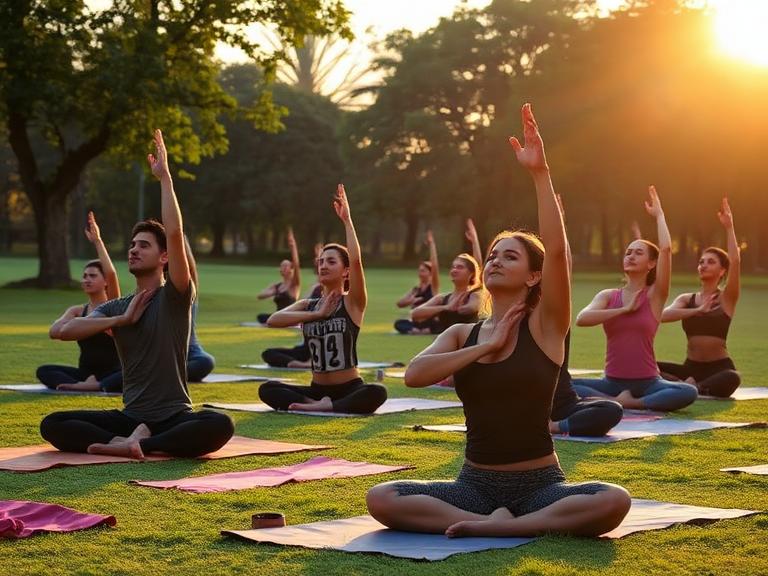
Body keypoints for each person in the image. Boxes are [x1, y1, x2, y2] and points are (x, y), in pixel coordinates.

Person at [366, 104, 630, 538]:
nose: (495, 261)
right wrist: (485, 347)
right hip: (474, 483)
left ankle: (507, 527)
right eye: (492, 255)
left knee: (613, 498)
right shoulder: (461, 334)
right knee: (382, 497)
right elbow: (414, 376)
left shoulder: (546, 326)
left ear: (533, 276)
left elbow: (560, 256)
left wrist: (541, 175)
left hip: (540, 483)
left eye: (511, 255)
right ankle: (497, 524)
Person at [39, 129, 234, 459]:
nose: (133, 250)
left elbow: (174, 231)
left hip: (174, 416)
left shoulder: (175, 296)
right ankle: (131, 440)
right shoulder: (118, 306)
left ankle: (140, 444)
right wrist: (121, 319)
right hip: (130, 416)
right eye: (131, 245)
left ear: (164, 258)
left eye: (143, 245)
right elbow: (63, 332)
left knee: (220, 424)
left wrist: (165, 178)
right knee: (53, 423)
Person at [257, 184, 387, 414]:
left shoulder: (352, 302)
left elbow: (356, 261)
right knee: (267, 389)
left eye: (331, 261)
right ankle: (314, 405)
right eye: (321, 262)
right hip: (316, 388)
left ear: (345, 271)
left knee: (377, 392)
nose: (324, 265)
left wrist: (347, 222)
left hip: (349, 388)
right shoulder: (310, 305)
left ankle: (329, 406)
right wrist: (317, 314)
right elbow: (273, 320)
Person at [571, 186, 697, 412]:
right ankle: (617, 399)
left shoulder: (655, 295)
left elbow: (666, 250)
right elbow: (582, 318)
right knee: (566, 383)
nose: (630, 256)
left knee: (688, 391)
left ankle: (629, 403)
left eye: (638, 253)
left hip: (648, 382)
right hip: (611, 382)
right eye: (628, 252)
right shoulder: (609, 296)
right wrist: (622, 310)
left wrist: (659, 216)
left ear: (651, 264)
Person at [549, 195, 623, 437]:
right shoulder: (505, 320)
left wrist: (559, 223)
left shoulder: (556, 314)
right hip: (526, 406)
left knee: (611, 409)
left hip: (562, 404)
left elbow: (564, 265)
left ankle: (555, 427)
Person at [658, 198, 741, 397]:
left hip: (719, 368)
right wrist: (696, 310)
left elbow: (735, 260)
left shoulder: (726, 298)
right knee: (647, 365)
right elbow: (662, 315)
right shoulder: (688, 299)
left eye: (710, 262)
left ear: (722, 270)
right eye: (701, 262)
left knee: (733, 378)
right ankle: (690, 384)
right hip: (690, 367)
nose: (703, 265)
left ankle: (692, 387)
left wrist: (729, 228)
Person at [38, 211, 123, 393]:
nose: (86, 280)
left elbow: (112, 273)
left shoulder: (114, 307)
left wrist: (98, 242)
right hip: (85, 373)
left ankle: (97, 385)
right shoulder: (77, 311)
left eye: (92, 276)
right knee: (43, 371)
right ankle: (85, 384)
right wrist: (75, 324)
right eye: (84, 276)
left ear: (105, 282)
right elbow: (54, 333)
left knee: (131, 375)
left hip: (113, 372)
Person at [407, 219, 486, 335]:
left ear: (471, 273)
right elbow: (415, 314)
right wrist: (445, 308)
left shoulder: (475, 294)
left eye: (459, 267)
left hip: (468, 344)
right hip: (446, 345)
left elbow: (471, 308)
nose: (454, 270)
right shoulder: (442, 299)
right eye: (453, 267)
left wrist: (475, 241)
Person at [394, 230, 440, 334]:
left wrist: (432, 245)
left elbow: (435, 266)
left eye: (423, 271)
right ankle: (417, 330)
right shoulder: (415, 290)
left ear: (430, 273)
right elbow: (399, 304)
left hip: (429, 321)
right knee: (398, 323)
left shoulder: (433, 287)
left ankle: (422, 330)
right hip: (416, 322)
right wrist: (410, 300)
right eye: (419, 270)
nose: (420, 273)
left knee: (440, 323)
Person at [184, 235, 216, 382]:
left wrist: (181, 238)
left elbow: (191, 270)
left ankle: (168, 373)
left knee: (206, 361)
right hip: (164, 353)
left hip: (191, 351)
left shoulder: (188, 297)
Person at [256, 227, 301, 324]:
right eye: (282, 266)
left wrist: (293, 247)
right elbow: (259, 296)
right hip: (278, 316)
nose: (284, 267)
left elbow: (297, 264)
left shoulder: (294, 284)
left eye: (286, 265)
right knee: (260, 317)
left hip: (290, 317)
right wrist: (272, 292)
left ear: (291, 269)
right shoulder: (276, 286)